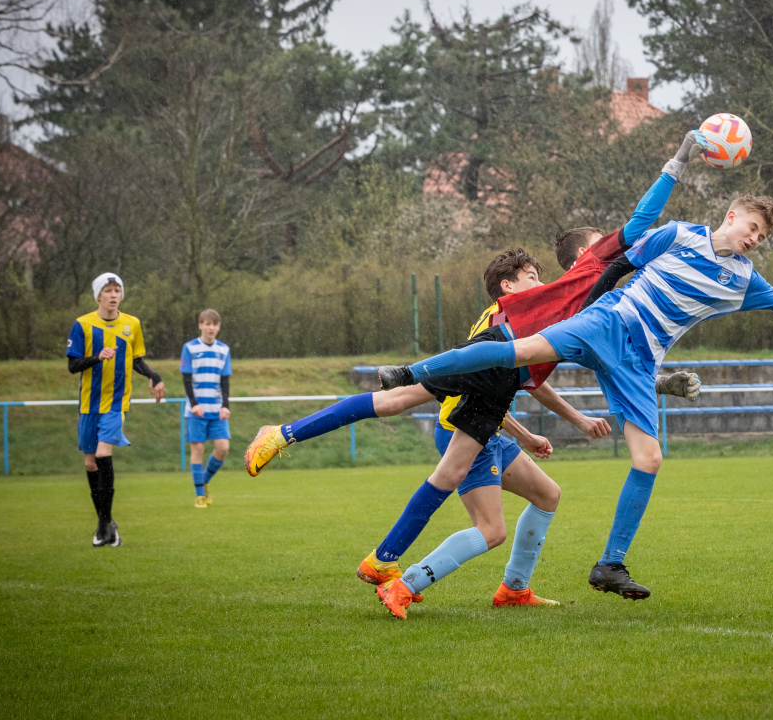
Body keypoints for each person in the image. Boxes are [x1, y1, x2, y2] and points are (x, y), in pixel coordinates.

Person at [244, 130, 706, 617]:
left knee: (441, 451)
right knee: (407, 413)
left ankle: (395, 560)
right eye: (600, 242)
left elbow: (599, 365)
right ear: (582, 256)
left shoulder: (592, 311)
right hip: (492, 360)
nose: (614, 246)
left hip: (498, 385)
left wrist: (660, 383)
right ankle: (296, 448)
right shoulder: (585, 272)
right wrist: (677, 162)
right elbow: (641, 220)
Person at [377, 195, 773, 601]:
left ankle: (609, 565)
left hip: (639, 360)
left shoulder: (743, 278)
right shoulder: (680, 234)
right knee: (521, 351)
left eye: (761, 236)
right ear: (731, 216)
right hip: (607, 320)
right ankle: (412, 372)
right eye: (752, 227)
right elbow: (620, 263)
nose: (754, 238)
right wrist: (589, 309)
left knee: (649, 458)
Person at [67, 273, 165, 547]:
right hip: (89, 405)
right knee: (90, 463)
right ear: (98, 295)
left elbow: (136, 359)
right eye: (108, 290)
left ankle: (103, 524)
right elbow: (73, 366)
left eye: (117, 290)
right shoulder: (82, 324)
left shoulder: (132, 324)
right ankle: (107, 522)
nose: (113, 295)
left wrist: (154, 376)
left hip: (116, 403)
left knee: (102, 455)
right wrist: (96, 357)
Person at [180, 309, 232, 507]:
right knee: (198, 448)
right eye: (207, 324)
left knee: (223, 448)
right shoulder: (190, 348)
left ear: (219, 327)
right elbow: (186, 378)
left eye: (214, 324)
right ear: (200, 325)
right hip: (196, 409)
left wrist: (225, 406)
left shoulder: (224, 350)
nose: (211, 328)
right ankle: (200, 495)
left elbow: (225, 380)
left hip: (217, 409)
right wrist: (194, 404)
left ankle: (203, 481)